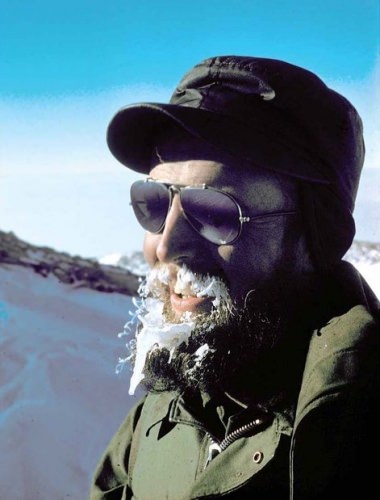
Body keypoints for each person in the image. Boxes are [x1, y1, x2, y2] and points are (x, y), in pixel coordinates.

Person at [90, 56, 379, 499]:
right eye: (153, 202)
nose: (164, 246)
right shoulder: (158, 418)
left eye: (213, 210)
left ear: (312, 236)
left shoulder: (353, 433)